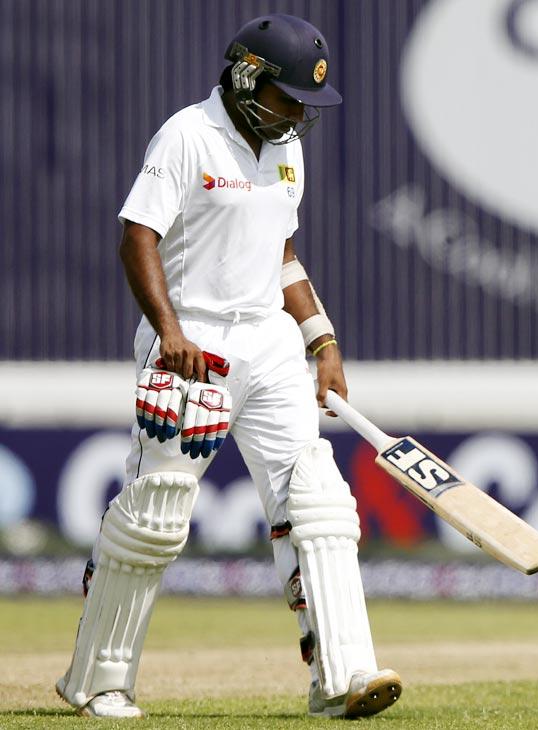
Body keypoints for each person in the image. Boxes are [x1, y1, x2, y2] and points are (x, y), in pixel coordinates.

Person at [55, 13, 402, 720]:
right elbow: (138, 236)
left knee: (319, 503)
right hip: (194, 342)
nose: (299, 114)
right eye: (288, 97)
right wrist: (170, 330)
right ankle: (98, 683)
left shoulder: (284, 148)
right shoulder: (187, 135)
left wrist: (321, 340)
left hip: (269, 341)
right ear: (246, 77)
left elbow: (281, 253)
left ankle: (343, 677)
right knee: (157, 514)